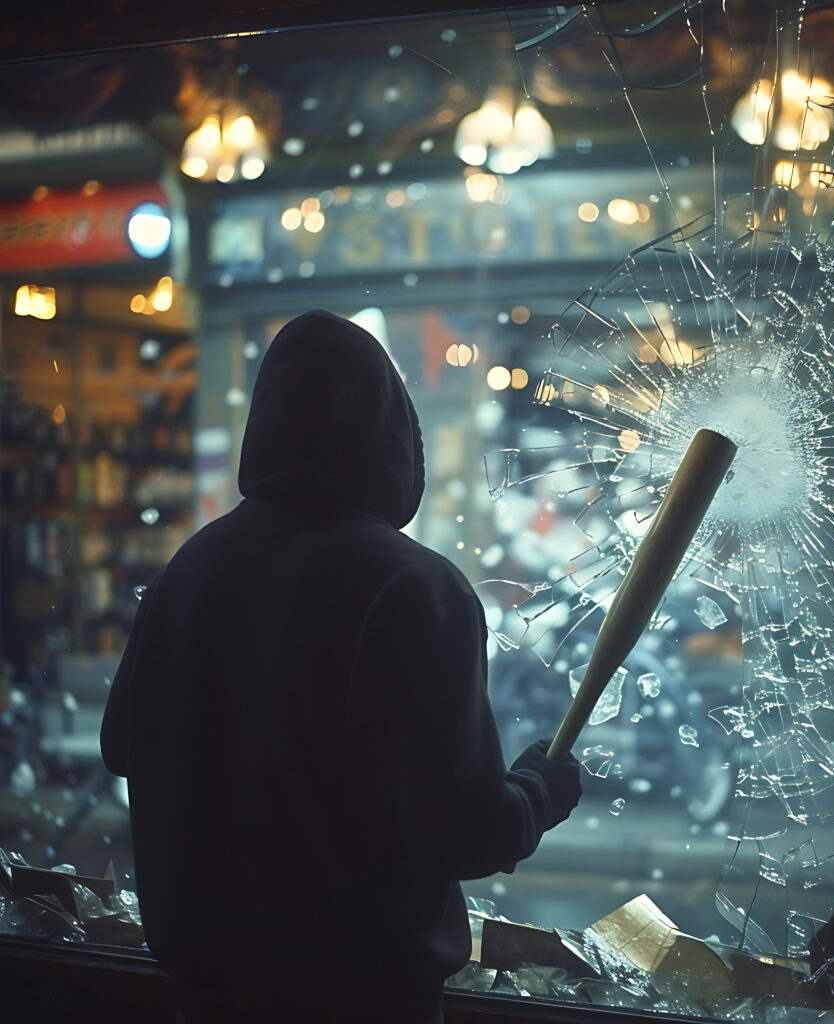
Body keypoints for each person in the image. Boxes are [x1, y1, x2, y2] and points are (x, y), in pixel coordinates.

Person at [100, 310, 583, 1023]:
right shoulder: (416, 588)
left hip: (207, 997)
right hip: (364, 1002)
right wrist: (539, 788)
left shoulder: (193, 567)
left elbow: (123, 745)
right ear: (393, 438)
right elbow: (459, 827)